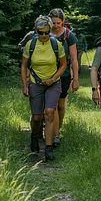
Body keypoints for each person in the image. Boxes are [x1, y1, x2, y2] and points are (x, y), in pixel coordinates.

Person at [20, 15, 67, 161]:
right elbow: (24, 65)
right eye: (41, 33)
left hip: (53, 83)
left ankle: (48, 148)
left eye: (47, 32)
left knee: (49, 112)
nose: (44, 35)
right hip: (36, 83)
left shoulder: (56, 44)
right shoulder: (31, 45)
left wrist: (53, 78)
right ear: (36, 31)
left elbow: (64, 64)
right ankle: (34, 137)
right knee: (37, 117)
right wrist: (25, 84)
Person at [49, 8, 79, 147]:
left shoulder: (68, 36)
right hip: (48, 74)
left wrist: (76, 79)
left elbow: (74, 59)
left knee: (61, 106)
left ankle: (57, 129)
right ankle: (54, 135)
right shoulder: (44, 34)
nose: (55, 26)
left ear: (63, 22)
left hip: (65, 75)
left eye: (58, 23)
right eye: (53, 23)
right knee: (52, 105)